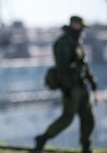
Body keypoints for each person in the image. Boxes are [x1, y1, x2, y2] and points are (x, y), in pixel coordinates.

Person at [34, 16, 98, 153]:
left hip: (82, 86)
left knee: (88, 117)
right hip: (72, 88)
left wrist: (91, 80)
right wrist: (67, 87)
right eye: (80, 25)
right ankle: (43, 138)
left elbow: (83, 64)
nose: (81, 29)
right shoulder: (64, 42)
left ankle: (86, 146)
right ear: (74, 24)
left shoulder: (76, 41)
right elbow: (61, 68)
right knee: (67, 118)